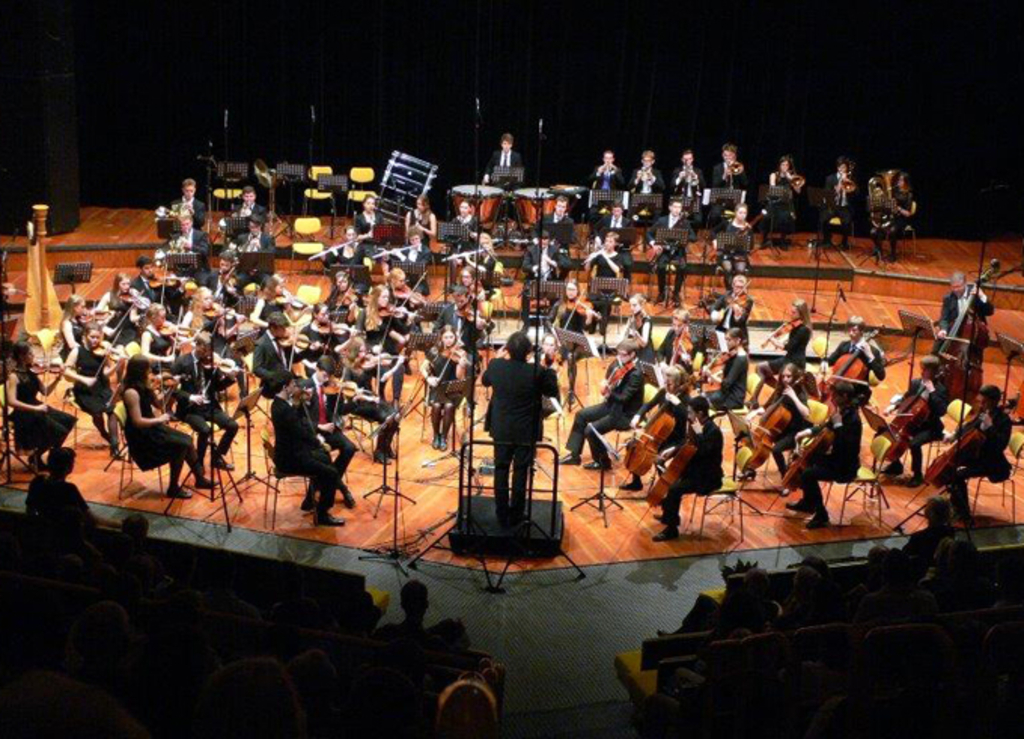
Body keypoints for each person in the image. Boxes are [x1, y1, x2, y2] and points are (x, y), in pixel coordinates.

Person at [482, 331, 559, 526]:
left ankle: (501, 513)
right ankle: (516, 514)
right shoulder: (536, 371)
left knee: (500, 468)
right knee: (521, 470)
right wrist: (547, 368)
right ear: (528, 351)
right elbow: (552, 392)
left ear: (507, 349)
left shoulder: (496, 365)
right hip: (525, 429)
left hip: (501, 428)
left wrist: (497, 358)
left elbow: (484, 380)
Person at [121, 355, 212, 498]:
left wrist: (170, 389)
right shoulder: (131, 392)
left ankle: (199, 479)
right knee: (180, 446)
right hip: (141, 436)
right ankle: (173, 488)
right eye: (148, 370)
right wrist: (160, 419)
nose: (151, 373)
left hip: (152, 428)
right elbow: (137, 421)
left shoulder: (144, 386)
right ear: (140, 371)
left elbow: (159, 404)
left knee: (187, 439)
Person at [267, 370, 346, 526]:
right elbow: (302, 432)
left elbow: (298, 427)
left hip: (291, 452)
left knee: (325, 458)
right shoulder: (283, 409)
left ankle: (311, 500)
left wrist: (298, 403)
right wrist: (319, 443)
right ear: (285, 387)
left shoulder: (279, 404)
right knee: (331, 472)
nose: (295, 386)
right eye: (292, 384)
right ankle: (322, 514)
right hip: (291, 459)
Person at [785, 381, 862, 529]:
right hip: (836, 459)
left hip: (845, 466)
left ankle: (821, 515)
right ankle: (808, 503)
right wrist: (807, 432)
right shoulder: (842, 411)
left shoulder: (853, 419)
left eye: (835, 395)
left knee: (808, 474)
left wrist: (839, 425)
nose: (832, 398)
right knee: (807, 458)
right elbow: (825, 426)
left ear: (845, 396)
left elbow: (846, 446)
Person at [560, 340, 644, 470]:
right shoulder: (620, 363)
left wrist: (609, 393)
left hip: (624, 414)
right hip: (612, 406)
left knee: (590, 431)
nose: (619, 358)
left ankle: (602, 461)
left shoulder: (636, 374)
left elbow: (624, 398)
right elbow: (612, 372)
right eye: (618, 354)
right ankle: (574, 455)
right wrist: (606, 381)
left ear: (633, 354)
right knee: (581, 415)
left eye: (623, 355)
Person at [652, 396, 724, 541]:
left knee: (673, 489)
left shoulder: (713, 431)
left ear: (700, 414)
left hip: (707, 477)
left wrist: (697, 431)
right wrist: (671, 451)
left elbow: (703, 450)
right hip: (695, 471)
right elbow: (687, 443)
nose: (688, 416)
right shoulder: (695, 426)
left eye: (691, 413)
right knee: (668, 476)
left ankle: (671, 529)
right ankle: (669, 515)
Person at [169, 332, 240, 472]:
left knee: (233, 426)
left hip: (210, 406)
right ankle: (199, 464)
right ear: (198, 346)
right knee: (205, 430)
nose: (209, 354)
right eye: (206, 350)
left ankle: (216, 457)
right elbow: (170, 389)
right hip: (190, 409)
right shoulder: (182, 362)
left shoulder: (211, 363)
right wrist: (190, 397)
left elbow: (217, 387)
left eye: (210, 350)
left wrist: (230, 378)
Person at [945, 383, 1012, 525]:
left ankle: (964, 514)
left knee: (957, 475)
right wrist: (954, 435)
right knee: (949, 468)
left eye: (984, 401)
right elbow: (968, 427)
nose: (981, 403)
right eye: (981, 400)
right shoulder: (983, 413)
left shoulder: (1004, 420)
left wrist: (990, 427)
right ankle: (955, 506)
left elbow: (1000, 445)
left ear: (993, 401)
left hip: (993, 463)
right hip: (977, 456)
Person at [5, 341, 76, 470]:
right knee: (59, 431)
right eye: (31, 354)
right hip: (24, 412)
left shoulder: (31, 372)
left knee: (69, 420)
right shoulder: (14, 376)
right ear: (22, 356)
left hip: (37, 407)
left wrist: (58, 379)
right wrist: (35, 408)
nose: (34, 356)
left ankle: (41, 456)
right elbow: (11, 401)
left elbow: (45, 392)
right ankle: (40, 457)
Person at [880, 355, 948, 487]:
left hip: (931, 427)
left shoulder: (940, 389)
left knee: (914, 443)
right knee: (890, 432)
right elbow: (907, 398)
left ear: (933, 372)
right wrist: (893, 406)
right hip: (913, 422)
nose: (922, 372)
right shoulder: (916, 383)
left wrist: (932, 391)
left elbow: (941, 411)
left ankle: (917, 475)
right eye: (922, 369)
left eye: (925, 370)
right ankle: (896, 465)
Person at [621, 365, 691, 492]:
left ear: (677, 383)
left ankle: (665, 491)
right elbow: (648, 404)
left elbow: (687, 417)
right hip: (659, 434)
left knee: (659, 460)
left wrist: (678, 404)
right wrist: (637, 416)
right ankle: (636, 483)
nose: (666, 385)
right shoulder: (664, 392)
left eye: (669, 383)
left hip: (675, 439)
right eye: (665, 382)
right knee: (632, 445)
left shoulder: (685, 398)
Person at [302, 357, 357, 508]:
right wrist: (319, 427)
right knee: (325, 458)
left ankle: (323, 486)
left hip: (328, 429)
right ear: (317, 369)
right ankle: (342, 489)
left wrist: (354, 401)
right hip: (313, 433)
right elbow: (300, 418)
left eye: (330, 376)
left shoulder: (330, 388)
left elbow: (339, 411)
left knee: (350, 448)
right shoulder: (304, 386)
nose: (327, 379)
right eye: (325, 375)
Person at [744, 363, 813, 478]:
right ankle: (750, 468)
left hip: (796, 431)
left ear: (795, 377)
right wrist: (754, 413)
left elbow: (806, 413)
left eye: (789, 376)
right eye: (783, 376)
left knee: (776, 450)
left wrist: (793, 397)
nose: (785, 379)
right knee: (751, 438)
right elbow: (769, 406)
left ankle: (785, 475)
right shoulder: (780, 389)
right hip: (780, 428)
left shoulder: (800, 392)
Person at [62, 322, 121, 456]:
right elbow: (66, 371)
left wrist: (118, 364)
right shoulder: (77, 351)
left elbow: (106, 373)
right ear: (85, 336)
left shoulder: (103, 351)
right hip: (84, 390)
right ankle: (104, 433)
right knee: (97, 412)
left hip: (102, 387)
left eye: (97, 337)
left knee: (112, 412)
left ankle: (114, 445)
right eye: (92, 337)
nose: (95, 340)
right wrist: (84, 379)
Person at [25, 447, 115, 528]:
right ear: (69, 467)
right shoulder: (69, 489)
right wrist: (119, 524)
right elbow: (91, 519)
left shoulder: (37, 482)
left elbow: (29, 511)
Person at [750, 299, 813, 407]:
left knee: (762, 368)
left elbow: (788, 347)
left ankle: (775, 392)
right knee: (760, 368)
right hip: (789, 358)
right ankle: (755, 399)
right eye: (791, 311)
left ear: (801, 314)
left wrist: (773, 340)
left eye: (794, 313)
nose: (791, 314)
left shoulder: (803, 330)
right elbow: (791, 343)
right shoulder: (795, 327)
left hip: (795, 363)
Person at [422, 327, 469, 451]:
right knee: (436, 405)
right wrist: (429, 378)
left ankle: (444, 436)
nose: (449, 340)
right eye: (446, 337)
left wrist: (462, 364)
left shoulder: (460, 353)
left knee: (448, 405)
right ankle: (436, 435)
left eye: (451, 337)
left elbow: (460, 377)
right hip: (437, 387)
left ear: (455, 338)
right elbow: (423, 367)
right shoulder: (435, 351)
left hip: (452, 388)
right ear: (441, 338)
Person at [823, 316, 886, 403]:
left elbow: (881, 375)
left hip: (856, 392)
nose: (850, 333)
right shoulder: (844, 345)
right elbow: (830, 361)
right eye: (849, 330)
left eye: (854, 330)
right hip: (837, 386)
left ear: (861, 331)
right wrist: (824, 364)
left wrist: (870, 356)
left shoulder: (873, 351)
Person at [647, 198, 696, 305]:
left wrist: (683, 238)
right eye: (675, 207)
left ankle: (676, 293)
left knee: (682, 268)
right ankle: (661, 292)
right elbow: (649, 233)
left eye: (679, 207)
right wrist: (654, 244)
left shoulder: (685, 222)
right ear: (670, 208)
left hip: (678, 251)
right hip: (664, 251)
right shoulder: (662, 221)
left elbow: (693, 237)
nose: (677, 209)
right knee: (661, 267)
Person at [936, 270, 994, 340]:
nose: (956, 290)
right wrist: (943, 330)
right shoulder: (948, 298)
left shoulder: (975, 294)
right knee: (938, 344)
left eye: (958, 287)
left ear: (965, 284)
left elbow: (989, 312)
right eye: (953, 287)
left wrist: (982, 296)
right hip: (955, 332)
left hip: (974, 333)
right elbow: (944, 318)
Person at [870, 171, 915, 262]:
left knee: (892, 231)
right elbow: (885, 203)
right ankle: (879, 250)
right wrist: (880, 196)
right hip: (889, 216)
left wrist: (898, 208)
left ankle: (893, 254)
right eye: (899, 180)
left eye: (901, 180)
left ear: (906, 182)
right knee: (873, 231)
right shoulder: (894, 191)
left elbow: (908, 213)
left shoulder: (909, 195)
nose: (899, 182)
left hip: (900, 219)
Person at [759, 155, 802, 246]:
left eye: (787, 165)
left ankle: (783, 240)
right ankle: (764, 239)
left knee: (786, 218)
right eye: (783, 165)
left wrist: (791, 179)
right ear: (779, 165)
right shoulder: (774, 175)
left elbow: (798, 191)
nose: (785, 167)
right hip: (774, 203)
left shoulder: (792, 177)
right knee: (766, 217)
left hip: (786, 204)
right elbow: (773, 189)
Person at [702, 327, 749, 410]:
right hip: (726, 393)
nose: (726, 343)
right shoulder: (733, 354)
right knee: (702, 397)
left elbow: (726, 384)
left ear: (738, 341)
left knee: (700, 404)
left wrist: (711, 375)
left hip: (734, 399)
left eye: (729, 340)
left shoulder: (740, 359)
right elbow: (726, 372)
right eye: (725, 340)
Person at [231, 214, 276, 292]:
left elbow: (272, 254)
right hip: (246, 272)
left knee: (270, 285)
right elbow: (236, 254)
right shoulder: (242, 238)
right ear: (248, 227)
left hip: (262, 272)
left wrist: (260, 248)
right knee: (236, 284)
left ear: (260, 226)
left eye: (256, 227)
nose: (254, 229)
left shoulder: (268, 238)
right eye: (252, 227)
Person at [712, 202, 753, 285]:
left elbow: (751, 245)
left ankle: (737, 290)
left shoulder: (747, 228)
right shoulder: (727, 223)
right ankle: (729, 290)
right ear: (735, 213)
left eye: (744, 213)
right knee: (728, 268)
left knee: (740, 269)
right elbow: (713, 231)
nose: (742, 215)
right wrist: (715, 241)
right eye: (740, 213)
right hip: (725, 254)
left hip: (740, 255)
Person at [709, 143, 748, 226]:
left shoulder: (738, 167)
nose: (727, 158)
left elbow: (745, 183)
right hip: (720, 200)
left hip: (734, 200)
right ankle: (715, 234)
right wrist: (724, 176)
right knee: (715, 215)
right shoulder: (717, 168)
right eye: (725, 155)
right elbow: (715, 185)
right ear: (722, 155)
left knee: (741, 213)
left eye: (730, 155)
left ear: (734, 156)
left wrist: (740, 171)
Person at [252, 312, 293, 392]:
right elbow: (256, 369)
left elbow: (293, 358)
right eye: (282, 328)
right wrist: (274, 376)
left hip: (287, 378)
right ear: (273, 328)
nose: (285, 330)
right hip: (273, 384)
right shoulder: (261, 344)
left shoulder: (281, 339)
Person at [821, 156, 855, 249]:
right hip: (833, 205)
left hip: (844, 206)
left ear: (846, 168)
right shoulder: (830, 179)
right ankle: (827, 240)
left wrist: (849, 186)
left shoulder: (851, 178)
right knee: (824, 218)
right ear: (837, 167)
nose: (842, 169)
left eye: (844, 167)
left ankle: (844, 242)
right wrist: (840, 183)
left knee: (847, 220)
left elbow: (856, 192)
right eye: (840, 167)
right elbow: (828, 195)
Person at [710, 275, 754, 348]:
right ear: (733, 285)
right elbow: (714, 307)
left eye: (741, 287)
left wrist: (737, 314)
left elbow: (742, 321)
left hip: (735, 333)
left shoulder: (748, 300)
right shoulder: (727, 295)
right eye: (737, 286)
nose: (739, 289)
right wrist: (715, 315)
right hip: (722, 330)